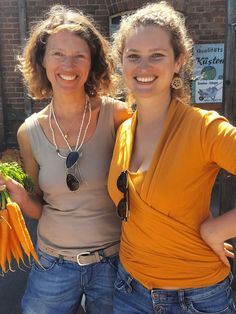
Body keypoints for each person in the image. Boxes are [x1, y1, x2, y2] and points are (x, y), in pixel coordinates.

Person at [0, 4, 130, 314]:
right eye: (58, 54)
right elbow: (38, 207)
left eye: (79, 55)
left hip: (112, 263)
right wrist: (16, 196)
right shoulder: (28, 132)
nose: (68, 64)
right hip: (53, 266)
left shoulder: (118, 116)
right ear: (42, 60)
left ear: (92, 62)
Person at [108, 1, 236, 313]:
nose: (143, 67)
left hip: (195, 296)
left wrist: (218, 229)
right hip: (129, 289)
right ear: (121, 63)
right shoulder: (124, 128)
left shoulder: (204, 128)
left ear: (178, 61)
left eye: (157, 56)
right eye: (133, 56)